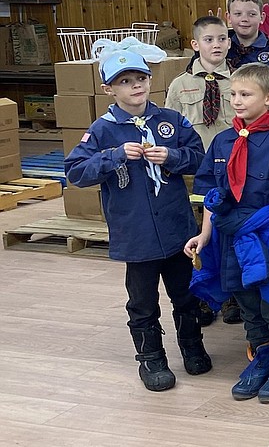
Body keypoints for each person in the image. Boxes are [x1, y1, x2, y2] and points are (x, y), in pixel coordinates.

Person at [65, 41, 210, 392]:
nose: (135, 86)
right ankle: (151, 360)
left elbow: (199, 157)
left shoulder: (170, 121)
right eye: (125, 81)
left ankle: (192, 347)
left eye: (140, 78)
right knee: (143, 302)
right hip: (137, 234)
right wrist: (113, 155)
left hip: (177, 230)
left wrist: (172, 158)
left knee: (186, 295)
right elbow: (75, 171)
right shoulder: (103, 131)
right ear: (108, 89)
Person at [184, 63, 269, 404]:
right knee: (245, 302)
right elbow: (213, 196)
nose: (237, 101)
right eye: (233, 94)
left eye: (245, 94)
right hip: (231, 234)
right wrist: (204, 235)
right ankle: (260, 358)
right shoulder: (222, 140)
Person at [167, 16, 235, 149]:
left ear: (229, 43)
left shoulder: (241, 81)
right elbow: (172, 128)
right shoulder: (180, 85)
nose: (216, 45)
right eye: (208, 40)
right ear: (195, 45)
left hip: (234, 155)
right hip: (198, 159)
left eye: (222, 39)